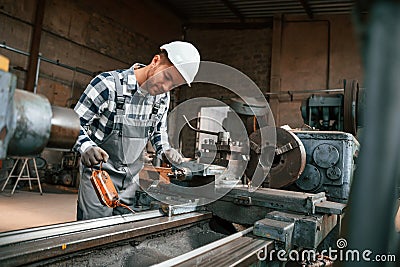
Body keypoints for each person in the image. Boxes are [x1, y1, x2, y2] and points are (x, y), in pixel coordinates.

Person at [74, 41, 200, 220]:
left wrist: (165, 150)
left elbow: (158, 131)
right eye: (167, 77)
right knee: (93, 233)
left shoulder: (161, 98)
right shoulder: (107, 85)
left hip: (132, 181)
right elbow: (74, 124)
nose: (166, 87)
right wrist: (86, 147)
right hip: (99, 178)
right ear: (155, 61)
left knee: (125, 233)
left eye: (173, 85)